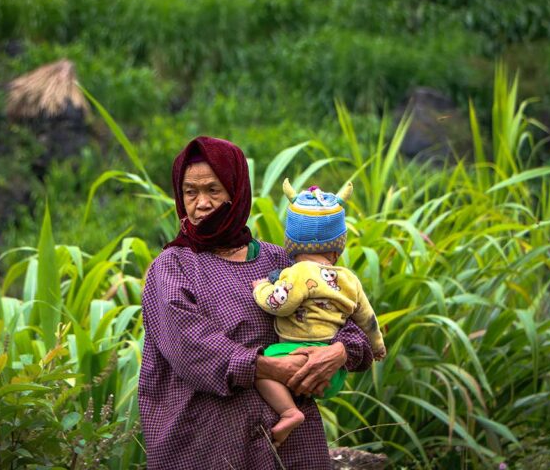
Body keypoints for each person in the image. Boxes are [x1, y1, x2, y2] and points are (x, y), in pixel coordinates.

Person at [138, 136, 375, 469]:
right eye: (190, 192)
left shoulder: (279, 261)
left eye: (213, 190)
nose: (201, 203)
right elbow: (190, 347)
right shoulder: (174, 266)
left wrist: (336, 353)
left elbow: (343, 318)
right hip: (207, 444)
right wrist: (266, 365)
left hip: (291, 447)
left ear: (237, 192)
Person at [252, 179, 386, 447]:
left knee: (260, 367)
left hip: (295, 359)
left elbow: (280, 303)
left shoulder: (298, 272)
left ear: (291, 245)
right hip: (332, 374)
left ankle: (290, 412)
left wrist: (262, 288)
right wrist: (377, 346)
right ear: (338, 250)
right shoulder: (349, 280)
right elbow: (367, 320)